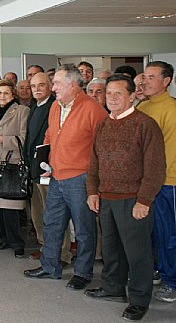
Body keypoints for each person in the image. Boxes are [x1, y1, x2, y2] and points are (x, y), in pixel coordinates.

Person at [84, 74, 166, 321]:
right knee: (111, 250)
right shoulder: (103, 124)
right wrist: (92, 191)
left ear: (131, 96)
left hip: (133, 200)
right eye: (109, 93)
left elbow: (155, 168)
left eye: (118, 93)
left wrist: (144, 200)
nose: (112, 98)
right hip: (106, 199)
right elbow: (94, 162)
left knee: (137, 253)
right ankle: (113, 288)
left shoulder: (145, 124)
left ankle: (139, 300)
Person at [25, 64, 108, 290]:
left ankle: (83, 272)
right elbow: (50, 135)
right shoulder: (55, 106)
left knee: (83, 228)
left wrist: (95, 181)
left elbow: (103, 146)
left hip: (81, 179)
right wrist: (46, 161)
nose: (53, 88)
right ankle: (50, 266)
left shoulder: (92, 109)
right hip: (56, 176)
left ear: (72, 85)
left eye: (57, 84)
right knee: (52, 223)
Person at [137, 61, 176, 303]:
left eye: (151, 77)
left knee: (168, 233)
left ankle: (171, 281)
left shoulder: (171, 109)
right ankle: (157, 270)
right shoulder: (144, 105)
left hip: (167, 182)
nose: (145, 81)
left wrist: (156, 181)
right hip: (145, 182)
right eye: (144, 77)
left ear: (166, 81)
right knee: (150, 232)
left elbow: (169, 152)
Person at [24, 73, 72, 265]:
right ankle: (45, 247)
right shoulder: (34, 107)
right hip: (35, 169)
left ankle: (62, 253)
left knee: (55, 214)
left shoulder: (56, 106)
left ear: (50, 86)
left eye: (41, 85)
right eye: (33, 86)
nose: (37, 89)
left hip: (49, 169)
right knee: (38, 213)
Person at [0, 79, 30, 258]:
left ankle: (17, 243)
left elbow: (24, 139)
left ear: (13, 94)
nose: (2, 96)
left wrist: (2, 140)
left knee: (10, 206)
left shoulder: (22, 111)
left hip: (11, 163)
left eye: (6, 93)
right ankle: (4, 239)